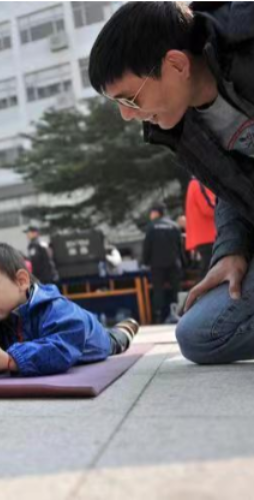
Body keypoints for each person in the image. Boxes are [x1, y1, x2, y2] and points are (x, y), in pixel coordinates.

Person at [89, 1, 254, 364]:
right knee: (201, 335)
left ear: (176, 64)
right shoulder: (183, 128)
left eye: (130, 98)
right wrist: (231, 251)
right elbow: (233, 188)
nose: (127, 115)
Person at [0, 243, 139, 377]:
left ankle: (126, 328)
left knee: (115, 341)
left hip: (92, 337)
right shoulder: (0, 315)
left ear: (21, 281)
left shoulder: (55, 308)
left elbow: (61, 349)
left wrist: (11, 360)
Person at [143, 204, 185, 324]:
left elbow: (147, 247)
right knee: (177, 289)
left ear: (156, 213)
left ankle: (159, 316)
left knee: (158, 290)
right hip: (174, 263)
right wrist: (184, 263)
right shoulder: (174, 226)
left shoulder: (151, 227)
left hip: (157, 265)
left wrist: (145, 262)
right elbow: (180, 247)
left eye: (151, 212)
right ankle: (181, 313)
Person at [185, 178, 217, 278]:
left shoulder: (195, 183)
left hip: (204, 236)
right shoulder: (200, 183)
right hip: (208, 236)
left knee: (208, 271)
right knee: (209, 271)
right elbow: (208, 208)